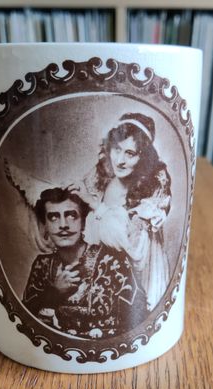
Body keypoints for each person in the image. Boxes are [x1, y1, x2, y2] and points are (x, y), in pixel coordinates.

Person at [69, 112, 171, 311]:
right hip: (101, 277)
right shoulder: (103, 176)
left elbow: (129, 247)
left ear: (144, 157)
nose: (120, 160)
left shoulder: (151, 192)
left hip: (135, 280)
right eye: (117, 149)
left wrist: (96, 206)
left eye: (130, 153)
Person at [22, 187, 147, 339]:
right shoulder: (42, 266)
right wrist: (54, 293)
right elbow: (26, 320)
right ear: (45, 226)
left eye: (71, 215)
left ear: (82, 222)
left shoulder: (113, 262)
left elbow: (138, 316)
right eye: (53, 217)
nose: (63, 225)